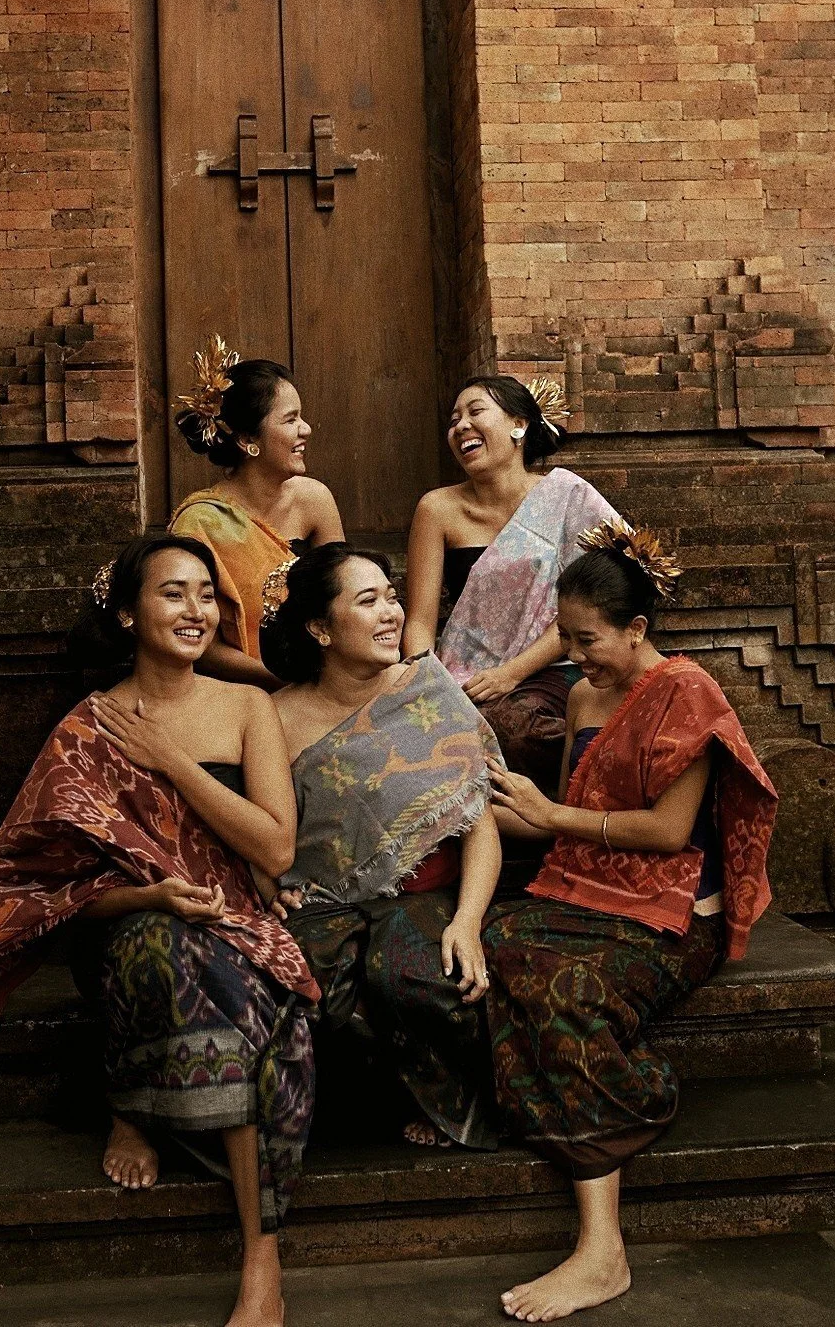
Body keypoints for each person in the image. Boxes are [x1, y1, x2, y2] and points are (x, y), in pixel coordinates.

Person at [0, 534, 319, 1327]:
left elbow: (275, 848)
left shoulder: (246, 706)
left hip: (232, 917)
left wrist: (170, 758)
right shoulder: (89, 727)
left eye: (206, 594)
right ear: (129, 613)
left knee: (239, 997)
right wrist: (151, 895)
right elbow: (46, 890)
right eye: (173, 592)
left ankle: (260, 1260)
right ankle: (140, 1108)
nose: (196, 610)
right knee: (165, 947)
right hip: (130, 929)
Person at [483, 520, 778, 1322]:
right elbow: (560, 815)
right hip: (588, 887)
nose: (575, 655)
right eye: (566, 637)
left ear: (637, 627)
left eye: (589, 639)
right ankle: (553, 1101)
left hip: (673, 910)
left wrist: (549, 813)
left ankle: (603, 1246)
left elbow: (667, 830)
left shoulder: (688, 693)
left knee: (568, 989)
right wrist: (456, 808)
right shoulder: (584, 694)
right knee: (493, 943)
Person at [265, 543, 502, 1150]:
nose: (392, 613)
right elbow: (262, 829)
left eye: (392, 598)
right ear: (320, 628)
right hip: (323, 898)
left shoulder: (428, 688)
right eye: (368, 601)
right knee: (307, 983)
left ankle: (452, 1106)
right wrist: (267, 889)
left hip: (427, 895)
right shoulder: (276, 718)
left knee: (415, 974)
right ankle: (373, 1106)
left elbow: (480, 824)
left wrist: (468, 921)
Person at [403, 375, 619, 794]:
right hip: (464, 672)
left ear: (519, 425)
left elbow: (599, 602)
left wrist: (510, 673)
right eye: (454, 420)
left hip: (558, 665)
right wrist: (426, 684)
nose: (461, 426)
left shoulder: (567, 496)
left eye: (475, 412)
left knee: (515, 730)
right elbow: (419, 621)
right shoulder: (437, 509)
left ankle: (569, 809)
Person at [170, 336, 344, 689]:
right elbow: (203, 646)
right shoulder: (199, 523)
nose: (306, 429)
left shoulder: (315, 500)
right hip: (240, 689)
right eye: (290, 419)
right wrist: (286, 681)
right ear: (248, 440)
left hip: (325, 680)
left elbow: (344, 596)